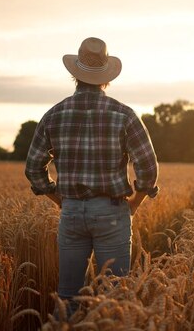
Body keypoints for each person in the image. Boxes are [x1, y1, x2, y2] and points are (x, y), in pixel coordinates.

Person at [25, 37, 159, 317]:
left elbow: (33, 168)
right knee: (115, 298)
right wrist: (135, 202)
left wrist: (59, 199)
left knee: (67, 297)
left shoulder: (54, 115)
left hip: (71, 213)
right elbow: (147, 165)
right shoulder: (124, 115)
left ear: (74, 74)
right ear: (106, 78)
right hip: (112, 213)